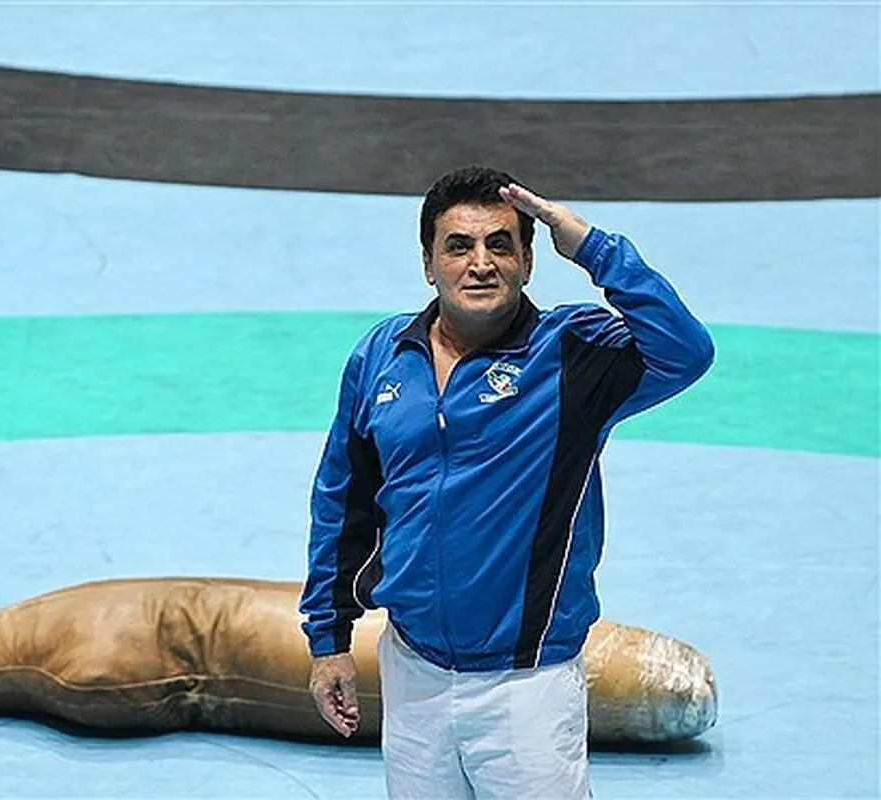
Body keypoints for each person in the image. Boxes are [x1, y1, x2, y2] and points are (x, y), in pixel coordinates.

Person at [298, 165, 714, 798]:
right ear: (428, 264)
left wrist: (592, 247)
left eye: (500, 244)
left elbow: (686, 351)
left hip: (528, 688)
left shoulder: (571, 353)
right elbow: (343, 500)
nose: (481, 263)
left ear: (528, 261)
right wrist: (328, 639)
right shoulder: (381, 355)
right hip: (412, 671)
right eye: (458, 246)